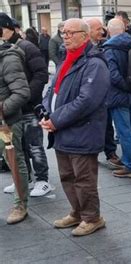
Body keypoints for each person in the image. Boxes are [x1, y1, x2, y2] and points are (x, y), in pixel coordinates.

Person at [40, 18, 109, 236]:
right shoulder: (66, 59)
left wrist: (55, 119)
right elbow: (53, 91)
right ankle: (77, 212)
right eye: (63, 33)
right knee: (67, 176)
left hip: (83, 131)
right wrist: (44, 111)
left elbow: (86, 101)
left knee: (84, 179)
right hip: (63, 130)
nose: (65, 37)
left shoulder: (94, 63)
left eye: (70, 33)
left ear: (85, 36)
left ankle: (92, 217)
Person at [1, 13, 51, 197]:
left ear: (9, 28)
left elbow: (41, 74)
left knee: (34, 145)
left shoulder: (27, 47)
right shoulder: (5, 48)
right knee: (17, 147)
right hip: (13, 109)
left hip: (28, 106)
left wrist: (27, 97)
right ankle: (24, 178)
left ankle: (42, 180)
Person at [0, 15, 31, 224]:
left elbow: (21, 93)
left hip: (7, 123)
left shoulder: (8, 58)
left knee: (15, 162)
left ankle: (21, 205)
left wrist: (1, 109)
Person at [102, 18, 131, 178]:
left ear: (109, 31)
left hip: (119, 96)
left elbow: (113, 75)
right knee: (129, 130)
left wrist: (126, 86)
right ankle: (127, 159)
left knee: (124, 132)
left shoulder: (110, 49)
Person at [86, 18, 123, 170]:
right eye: (98, 29)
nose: (102, 31)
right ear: (88, 31)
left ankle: (110, 152)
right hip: (88, 93)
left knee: (107, 124)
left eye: (102, 28)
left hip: (104, 94)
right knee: (90, 126)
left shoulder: (104, 45)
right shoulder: (82, 48)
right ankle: (91, 153)